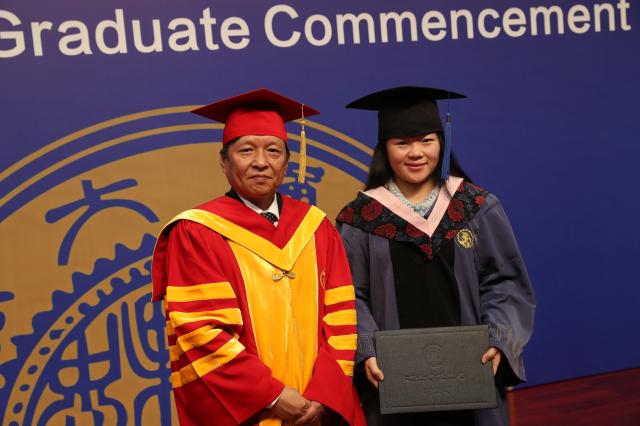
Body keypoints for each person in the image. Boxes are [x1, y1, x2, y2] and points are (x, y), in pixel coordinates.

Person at [151, 88, 365, 426]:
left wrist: (322, 395)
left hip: (317, 411)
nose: (261, 162)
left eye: (273, 151)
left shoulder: (316, 227)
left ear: (286, 163)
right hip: (253, 411)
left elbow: (340, 319)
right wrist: (274, 396)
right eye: (246, 150)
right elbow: (201, 331)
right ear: (224, 162)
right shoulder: (198, 232)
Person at [335, 86, 536, 425]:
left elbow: (505, 282)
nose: (416, 153)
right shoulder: (360, 219)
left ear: (442, 143)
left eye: (427, 141)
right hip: (392, 378)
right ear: (384, 148)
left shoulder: (475, 206)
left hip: (471, 370)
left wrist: (499, 340)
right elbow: (349, 296)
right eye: (402, 143)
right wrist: (366, 350)